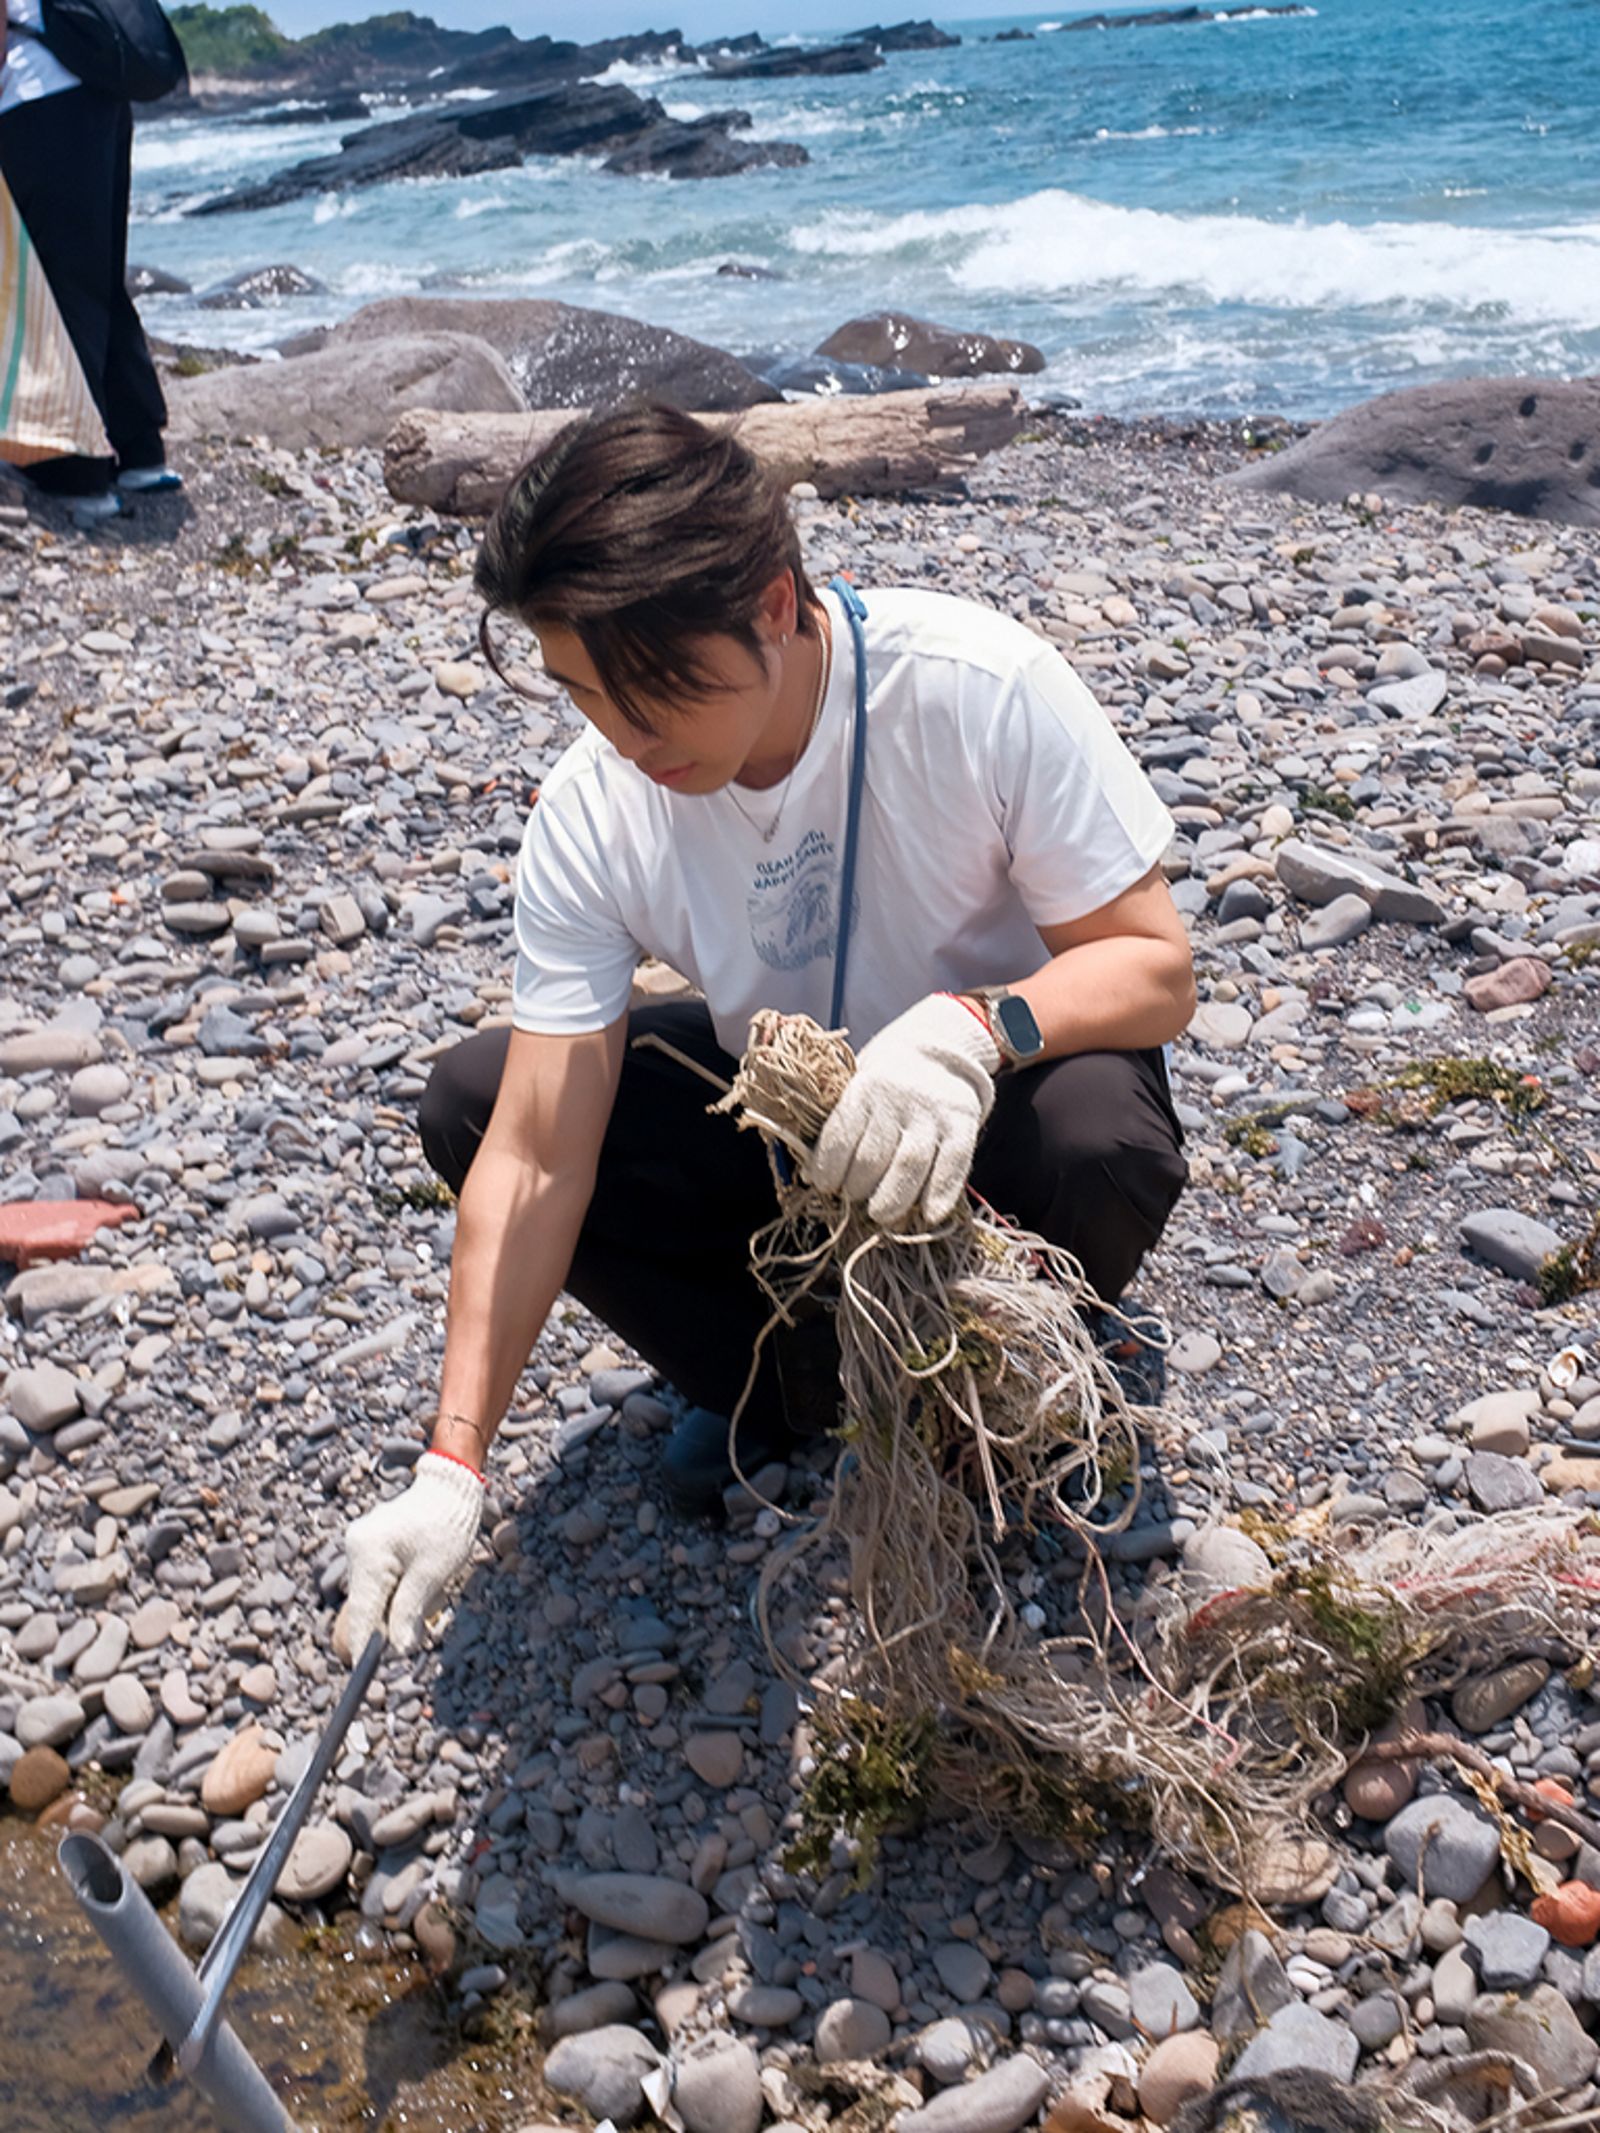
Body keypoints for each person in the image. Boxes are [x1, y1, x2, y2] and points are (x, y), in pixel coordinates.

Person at [344, 402, 1194, 1658]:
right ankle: (784, 1385)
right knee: (475, 1104)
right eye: (586, 697)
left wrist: (972, 1028)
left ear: (779, 604)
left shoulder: (973, 685)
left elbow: (1154, 967)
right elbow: (533, 1157)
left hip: (989, 1111)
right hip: (789, 1121)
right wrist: (450, 1463)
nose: (631, 745)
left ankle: (1029, 1368)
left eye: (661, 693)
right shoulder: (599, 805)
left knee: (1096, 1135)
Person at [0, 0, 179, 523]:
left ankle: (74, 470)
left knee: (54, 286)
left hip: (34, 102)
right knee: (98, 273)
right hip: (98, 92)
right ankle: (138, 450)